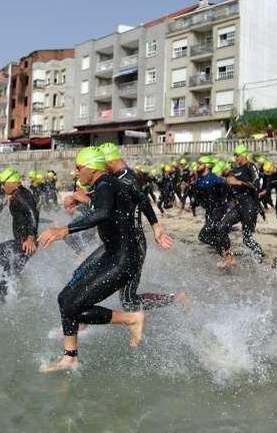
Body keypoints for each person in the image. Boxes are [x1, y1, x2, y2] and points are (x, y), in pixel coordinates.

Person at [36, 147, 147, 373]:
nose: (76, 173)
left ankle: (131, 319)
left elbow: (103, 213)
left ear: (92, 167)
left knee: (72, 305)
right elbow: (141, 198)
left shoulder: (106, 184)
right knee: (65, 298)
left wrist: (63, 230)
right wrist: (157, 226)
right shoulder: (106, 185)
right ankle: (70, 357)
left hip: (123, 260)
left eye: (78, 168)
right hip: (113, 255)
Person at [93, 142, 182, 311]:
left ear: (109, 162)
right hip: (124, 244)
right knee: (97, 280)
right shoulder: (122, 177)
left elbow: (142, 200)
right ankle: (81, 317)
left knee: (128, 300)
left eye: (102, 167)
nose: (101, 172)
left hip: (133, 245)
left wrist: (156, 225)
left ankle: (176, 299)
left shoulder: (126, 178)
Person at [0, 167, 40, 298]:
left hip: (25, 244)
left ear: (12, 183)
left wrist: (31, 238)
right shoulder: (19, 194)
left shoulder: (21, 196)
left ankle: (8, 306)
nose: (1, 186)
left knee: (4, 283)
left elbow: (33, 213)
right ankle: (17, 273)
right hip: (20, 242)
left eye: (3, 183)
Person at [218, 144, 266, 263]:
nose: (235, 157)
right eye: (234, 155)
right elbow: (230, 184)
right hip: (239, 206)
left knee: (247, 239)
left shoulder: (250, 167)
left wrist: (239, 182)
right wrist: (225, 179)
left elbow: (256, 186)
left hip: (250, 205)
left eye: (237, 155)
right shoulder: (235, 170)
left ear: (244, 154)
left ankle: (262, 257)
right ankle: (229, 256)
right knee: (222, 227)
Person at [194, 157, 234, 267]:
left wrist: (231, 203)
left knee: (203, 235)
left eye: (200, 163)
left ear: (207, 165)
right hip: (210, 211)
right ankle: (227, 257)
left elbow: (229, 191)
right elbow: (198, 197)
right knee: (216, 233)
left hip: (218, 210)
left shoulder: (216, 179)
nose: (197, 165)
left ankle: (228, 255)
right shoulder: (199, 180)